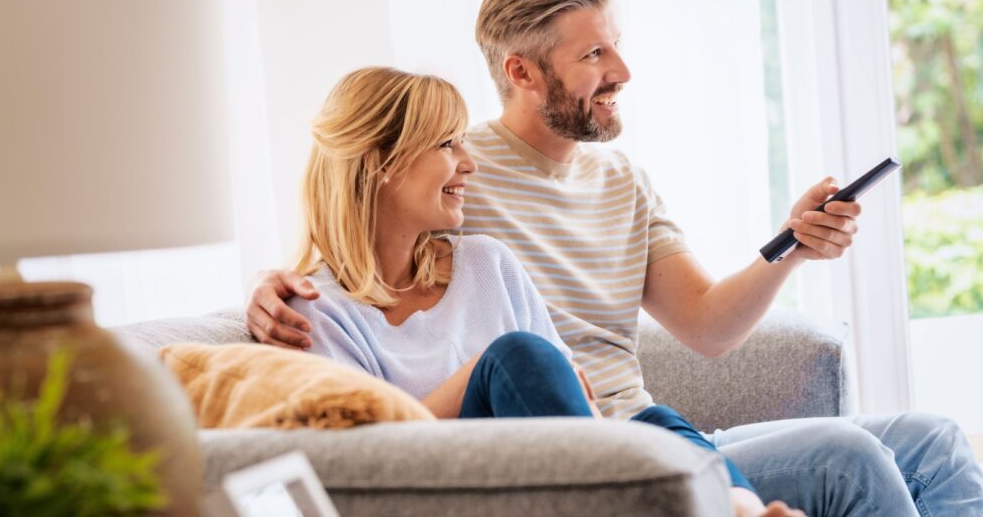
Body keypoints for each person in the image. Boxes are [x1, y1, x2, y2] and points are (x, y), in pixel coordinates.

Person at [248, 0, 983, 516]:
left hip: (643, 425)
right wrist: (271, 287)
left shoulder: (609, 187)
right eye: (594, 57)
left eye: (616, 48)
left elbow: (705, 325)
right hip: (567, 448)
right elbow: (353, 235)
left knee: (932, 438)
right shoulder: (458, 182)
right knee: (850, 457)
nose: (622, 73)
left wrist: (790, 246)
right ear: (521, 72)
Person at [290, 66, 801, 517]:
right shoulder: (318, 311)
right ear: (382, 164)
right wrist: (481, 375)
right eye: (447, 145)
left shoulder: (487, 262)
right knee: (515, 355)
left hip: (551, 481)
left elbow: (580, 406)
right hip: (459, 494)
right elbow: (358, 464)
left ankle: (740, 509)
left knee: (653, 421)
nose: (468, 163)